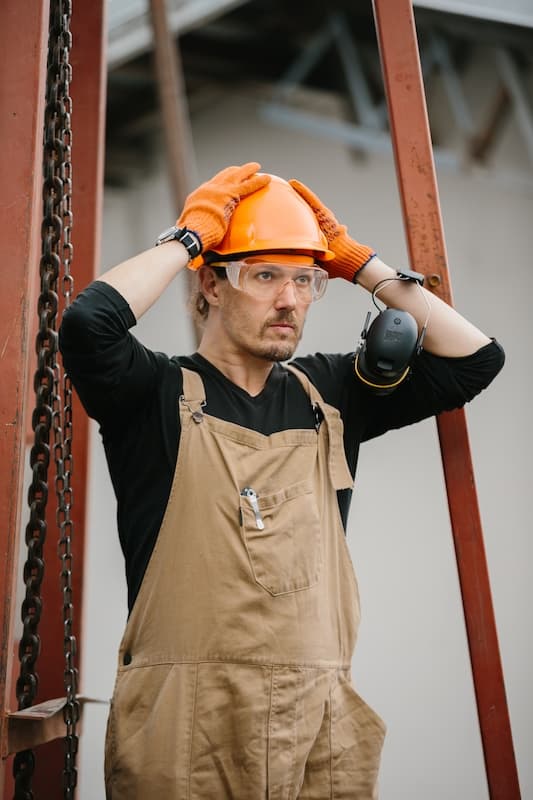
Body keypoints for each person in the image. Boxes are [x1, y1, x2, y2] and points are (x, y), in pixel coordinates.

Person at [59, 162, 504, 799]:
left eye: (305, 280)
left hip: (315, 728)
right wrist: (188, 239)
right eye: (265, 275)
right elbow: (88, 325)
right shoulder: (151, 392)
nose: (290, 300)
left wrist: (359, 263)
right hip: (185, 731)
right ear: (211, 284)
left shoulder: (330, 394)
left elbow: (477, 359)